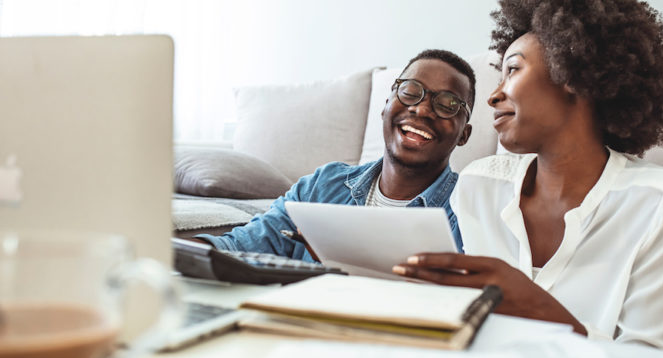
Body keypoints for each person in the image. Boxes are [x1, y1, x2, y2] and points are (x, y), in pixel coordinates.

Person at [392, 0, 663, 352]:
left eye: (513, 70)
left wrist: (543, 310)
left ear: (571, 74)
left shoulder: (662, 201)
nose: (494, 96)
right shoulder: (478, 186)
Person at [196, 49, 475, 262]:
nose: (423, 109)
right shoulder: (322, 185)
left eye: (448, 104)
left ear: (464, 134)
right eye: (411, 91)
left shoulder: (470, 208)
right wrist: (171, 252)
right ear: (386, 105)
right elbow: (240, 246)